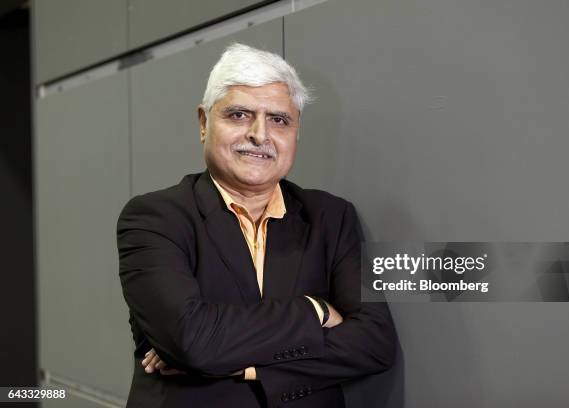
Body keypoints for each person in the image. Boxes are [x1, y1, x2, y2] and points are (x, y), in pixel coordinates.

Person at [117, 43, 396, 408]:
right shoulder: (155, 217)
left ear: (296, 132)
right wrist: (316, 310)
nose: (260, 135)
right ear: (204, 123)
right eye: (239, 115)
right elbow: (193, 340)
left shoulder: (331, 217)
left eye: (279, 120)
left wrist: (243, 365)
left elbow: (374, 342)